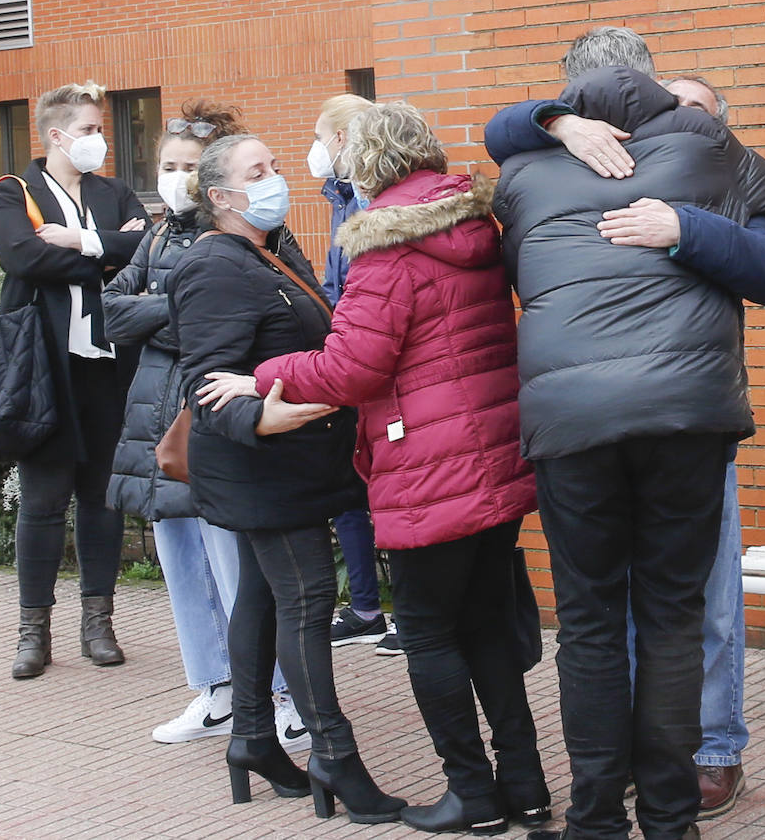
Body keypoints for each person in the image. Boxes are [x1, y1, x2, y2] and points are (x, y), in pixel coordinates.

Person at [201, 101, 548, 836]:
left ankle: (473, 797)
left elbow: (351, 366)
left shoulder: (387, 248)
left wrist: (261, 375)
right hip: (492, 453)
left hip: (428, 468)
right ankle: (525, 785)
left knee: (428, 633)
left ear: (368, 165)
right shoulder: (470, 222)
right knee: (487, 625)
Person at [487, 25, 765, 840]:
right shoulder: (712, 145)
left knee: (588, 622)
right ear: (653, 82)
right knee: (670, 618)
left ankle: (594, 820)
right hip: (685, 413)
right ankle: (668, 821)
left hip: (571, 418)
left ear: (568, 91)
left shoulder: (518, 171)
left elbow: (498, 152)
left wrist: (681, 226)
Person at [168, 134, 403, 823]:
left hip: (289, 468)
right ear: (221, 197)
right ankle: (334, 753)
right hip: (263, 472)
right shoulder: (216, 265)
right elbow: (206, 379)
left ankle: (251, 738)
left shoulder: (264, 249)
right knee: (303, 601)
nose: (276, 180)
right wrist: (264, 420)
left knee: (264, 602)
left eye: (273, 166)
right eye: (259, 172)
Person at [102, 100, 307, 749]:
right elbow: (109, 312)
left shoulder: (261, 232)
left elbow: (299, 307)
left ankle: (280, 695)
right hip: (156, 421)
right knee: (183, 562)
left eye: (188, 166)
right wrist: (188, 306)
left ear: (215, 176)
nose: (175, 177)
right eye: (166, 165)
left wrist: (166, 310)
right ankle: (214, 689)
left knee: (240, 568)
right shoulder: (160, 233)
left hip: (218, 415)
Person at [0, 81, 148, 680]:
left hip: (108, 366)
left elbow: (143, 253)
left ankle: (98, 624)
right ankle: (34, 632)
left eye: (98, 128)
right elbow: (23, 259)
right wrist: (104, 252)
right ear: (55, 135)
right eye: (87, 130)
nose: (98, 139)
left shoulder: (116, 192)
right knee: (42, 499)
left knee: (101, 497)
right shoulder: (15, 192)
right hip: (45, 369)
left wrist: (82, 241)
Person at [305, 92, 396, 654]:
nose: (314, 151)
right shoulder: (342, 198)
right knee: (350, 493)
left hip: (370, 360)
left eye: (319, 137)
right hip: (345, 350)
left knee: (390, 486)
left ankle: (409, 612)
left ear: (342, 139)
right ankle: (366, 608)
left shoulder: (370, 201)